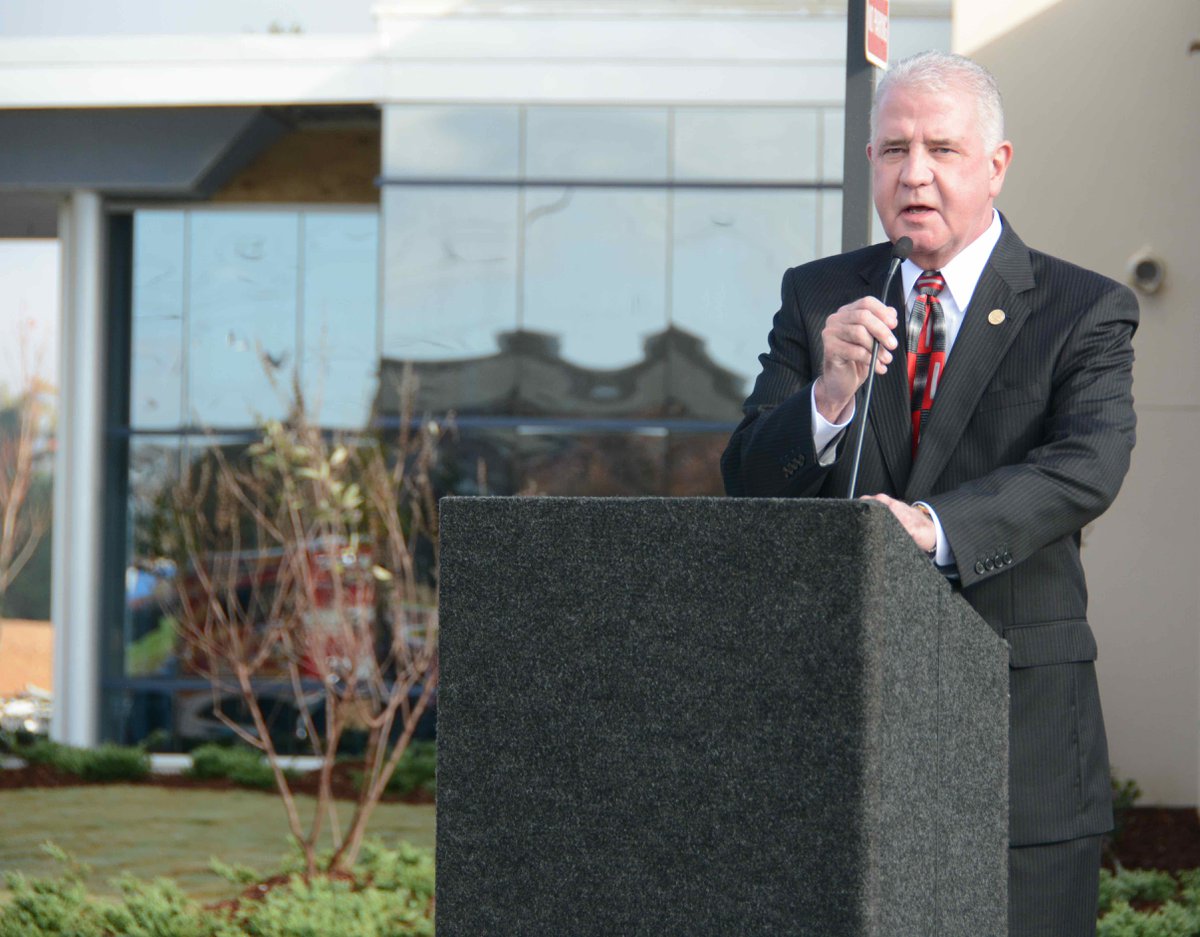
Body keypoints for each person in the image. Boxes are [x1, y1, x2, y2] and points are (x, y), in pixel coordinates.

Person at [721, 51, 1137, 937]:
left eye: (941, 148)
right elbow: (748, 481)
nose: (913, 173)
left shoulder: (1083, 308)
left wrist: (934, 525)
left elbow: (1087, 463)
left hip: (1018, 731)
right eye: (892, 149)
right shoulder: (819, 297)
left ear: (997, 164)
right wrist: (826, 397)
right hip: (842, 727)